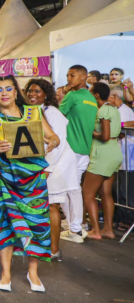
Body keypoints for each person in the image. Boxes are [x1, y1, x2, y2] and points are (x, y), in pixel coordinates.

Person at [0, 75, 60, 292]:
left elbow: (54, 136)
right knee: (5, 225)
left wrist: (52, 142)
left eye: (9, 88)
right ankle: (6, 273)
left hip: (34, 181)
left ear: (17, 92)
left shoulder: (34, 112)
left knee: (36, 224)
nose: (4, 93)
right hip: (5, 181)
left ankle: (33, 272)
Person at [25, 79, 80, 261]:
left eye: (37, 91)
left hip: (56, 164)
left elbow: (58, 143)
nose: (32, 94)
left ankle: (54, 249)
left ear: (46, 94)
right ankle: (41, 244)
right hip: (42, 164)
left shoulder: (53, 113)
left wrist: (47, 168)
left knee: (52, 205)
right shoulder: (32, 112)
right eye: (30, 91)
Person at [59, 65, 98, 243]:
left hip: (70, 149)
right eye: (68, 75)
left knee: (69, 189)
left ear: (83, 77)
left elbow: (56, 118)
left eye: (72, 75)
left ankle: (75, 228)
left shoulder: (72, 96)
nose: (69, 78)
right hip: (84, 150)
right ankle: (74, 226)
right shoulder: (91, 98)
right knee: (70, 188)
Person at [83, 83, 124, 240]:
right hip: (114, 153)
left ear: (96, 95)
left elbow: (105, 136)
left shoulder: (104, 109)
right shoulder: (113, 108)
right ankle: (108, 229)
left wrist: (92, 132)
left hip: (103, 154)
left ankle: (95, 231)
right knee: (105, 193)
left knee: (88, 193)